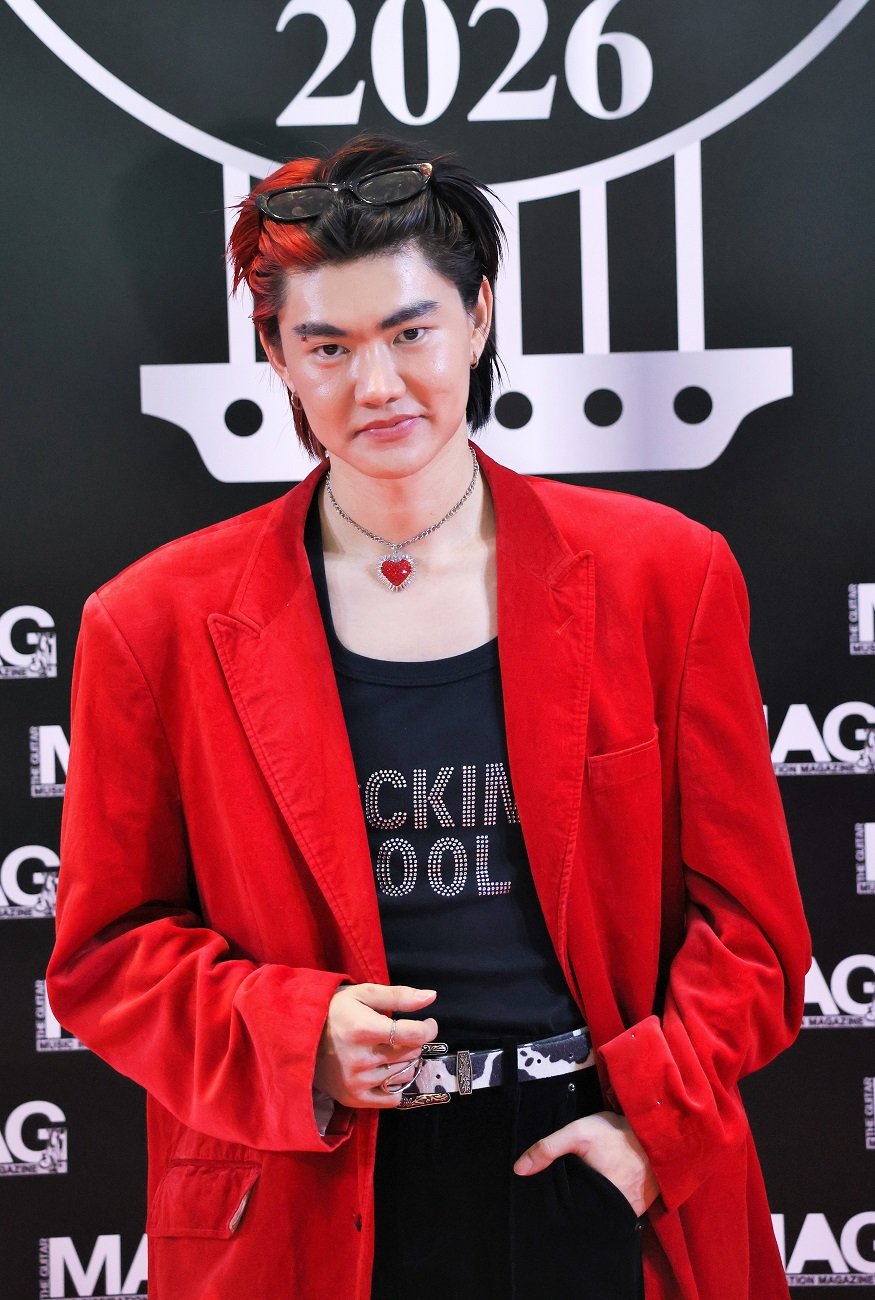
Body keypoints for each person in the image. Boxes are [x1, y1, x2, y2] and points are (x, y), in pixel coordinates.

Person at [47, 133, 810, 1300]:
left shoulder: (663, 575)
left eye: (410, 332)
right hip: (307, 1192)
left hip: (591, 1167)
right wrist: (295, 1034)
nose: (377, 386)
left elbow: (753, 934)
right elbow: (107, 955)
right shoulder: (151, 622)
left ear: (478, 316)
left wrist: (645, 1130)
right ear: (275, 354)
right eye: (329, 346)